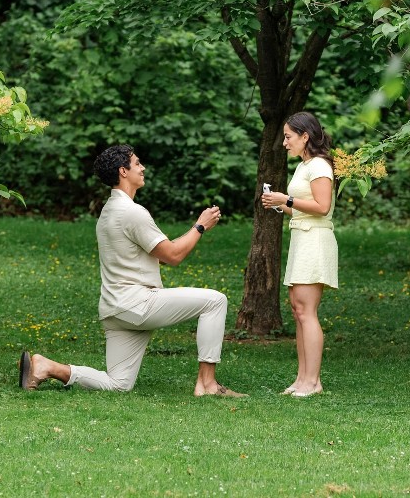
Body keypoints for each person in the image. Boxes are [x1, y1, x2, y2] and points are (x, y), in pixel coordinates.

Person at [19, 144, 246, 397]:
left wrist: (189, 233)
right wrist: (200, 226)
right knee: (215, 301)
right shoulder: (132, 212)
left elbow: (154, 255)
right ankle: (208, 384)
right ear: (123, 171)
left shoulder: (108, 211)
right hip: (137, 304)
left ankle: (47, 367)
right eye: (137, 163)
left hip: (115, 309)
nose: (143, 167)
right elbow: (173, 256)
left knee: (118, 384)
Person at [261, 112, 337, 398]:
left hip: (315, 241)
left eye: (288, 137)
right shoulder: (305, 165)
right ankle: (302, 378)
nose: (284, 143)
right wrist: (279, 204)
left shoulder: (319, 165)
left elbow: (322, 207)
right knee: (298, 309)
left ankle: (313, 382)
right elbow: (303, 209)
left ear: (305, 136)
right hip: (302, 238)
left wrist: (287, 199)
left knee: (307, 310)